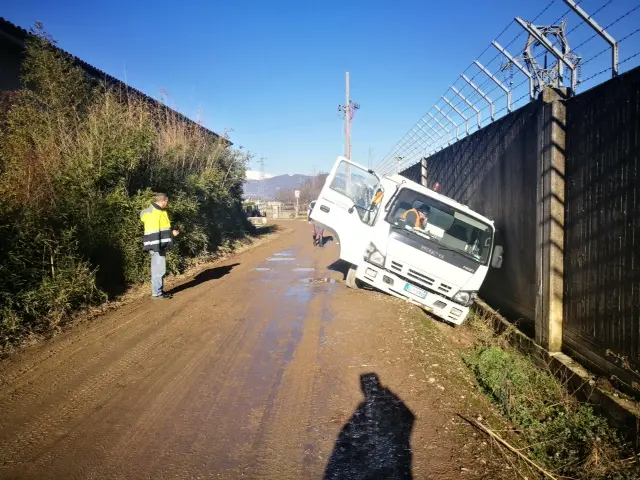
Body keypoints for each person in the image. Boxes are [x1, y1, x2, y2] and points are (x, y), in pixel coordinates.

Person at [140, 193, 179, 299]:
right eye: (167, 202)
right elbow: (160, 231)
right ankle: (157, 294)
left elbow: (159, 229)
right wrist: (172, 234)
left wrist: (170, 234)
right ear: (163, 201)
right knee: (159, 269)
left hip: (153, 244)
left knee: (156, 269)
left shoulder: (149, 211)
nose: (167, 204)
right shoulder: (158, 213)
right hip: (157, 245)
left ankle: (157, 291)